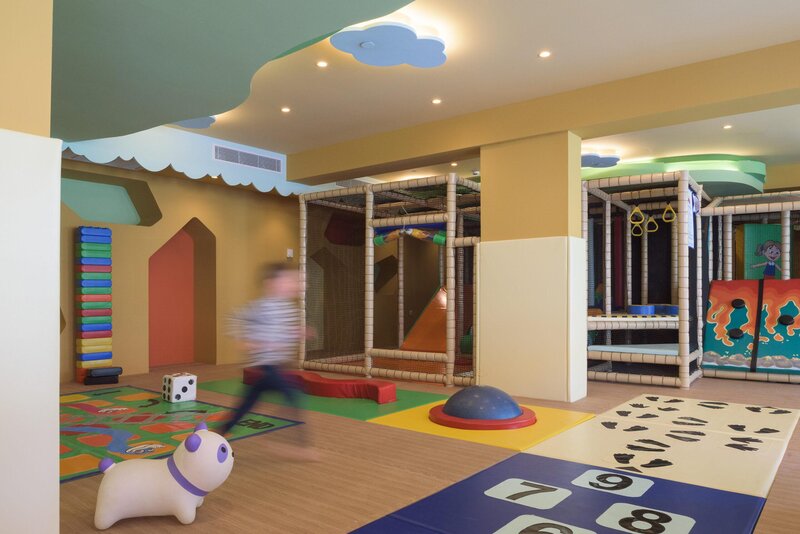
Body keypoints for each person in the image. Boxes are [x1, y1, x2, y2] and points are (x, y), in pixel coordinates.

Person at [220, 262, 317, 460]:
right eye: (288, 280)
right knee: (293, 395)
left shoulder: (289, 309)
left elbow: (281, 332)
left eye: (295, 281)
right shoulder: (262, 306)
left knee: (247, 404)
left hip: (276, 366)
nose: (294, 284)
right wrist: (245, 341)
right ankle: (294, 445)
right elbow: (235, 318)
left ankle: (219, 432)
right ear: (271, 284)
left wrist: (298, 332)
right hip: (266, 366)